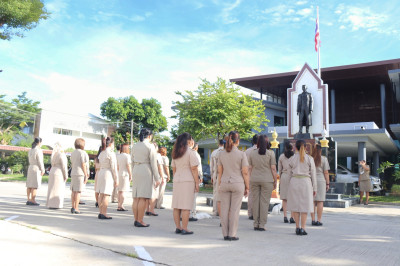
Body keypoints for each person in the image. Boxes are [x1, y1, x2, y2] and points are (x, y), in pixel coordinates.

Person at [218, 131, 250, 241]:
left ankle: (225, 234)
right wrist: (247, 187)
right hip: (237, 183)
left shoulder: (221, 154)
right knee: (235, 210)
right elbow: (245, 172)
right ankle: (232, 234)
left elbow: (219, 171)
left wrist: (219, 185)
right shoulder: (242, 154)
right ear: (238, 141)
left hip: (224, 183)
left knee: (224, 209)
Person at [171, 132, 200, 235]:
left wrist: (176, 179)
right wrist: (197, 183)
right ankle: (185, 228)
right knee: (186, 206)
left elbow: (174, 169)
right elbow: (194, 169)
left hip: (177, 179)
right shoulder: (191, 152)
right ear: (188, 140)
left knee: (176, 205)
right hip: (188, 180)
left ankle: (178, 227)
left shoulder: (175, 152)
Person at [248, 135, 278, 231]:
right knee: (264, 202)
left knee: (255, 201)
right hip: (267, 180)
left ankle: (255, 223)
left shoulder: (252, 153)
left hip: (254, 179)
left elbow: (250, 168)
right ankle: (262, 224)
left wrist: (248, 180)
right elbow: (273, 169)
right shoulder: (270, 153)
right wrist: (275, 181)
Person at [287, 139, 317, 236]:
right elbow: (313, 174)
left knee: (295, 206)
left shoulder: (291, 159)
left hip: (294, 181)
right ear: (306, 147)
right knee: (304, 206)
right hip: (306, 182)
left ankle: (297, 227)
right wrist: (315, 188)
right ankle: (303, 228)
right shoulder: (309, 159)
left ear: (295, 147)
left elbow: (288, 174)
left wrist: (288, 185)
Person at [132, 128, 161, 227]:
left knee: (136, 197)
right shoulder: (150, 146)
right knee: (143, 197)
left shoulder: (135, 146)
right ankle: (140, 220)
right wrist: (157, 178)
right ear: (149, 136)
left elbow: (131, 161)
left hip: (136, 169)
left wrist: (133, 172)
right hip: (145, 169)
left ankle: (136, 219)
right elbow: (153, 163)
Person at [97, 137, 118, 219]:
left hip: (101, 172)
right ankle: (104, 213)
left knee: (101, 194)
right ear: (111, 144)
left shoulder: (102, 153)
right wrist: (116, 179)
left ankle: (100, 211)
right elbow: (114, 167)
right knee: (106, 194)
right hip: (107, 173)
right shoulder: (111, 153)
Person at [310, 144, 330, 226]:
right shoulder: (324, 159)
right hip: (321, 181)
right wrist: (328, 183)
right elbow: (326, 172)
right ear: (321, 150)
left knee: (312, 201)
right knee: (320, 201)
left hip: (311, 180)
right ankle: (318, 220)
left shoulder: (310, 159)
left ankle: (313, 220)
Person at [46, 142, 68, 209]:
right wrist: (66, 175)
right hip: (59, 171)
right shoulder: (61, 154)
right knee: (58, 189)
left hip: (52, 170)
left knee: (51, 188)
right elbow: (64, 166)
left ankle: (50, 203)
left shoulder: (54, 154)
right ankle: (56, 204)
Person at [70, 138, 89, 214]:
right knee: (78, 191)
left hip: (73, 172)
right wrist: (86, 174)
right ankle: (76, 208)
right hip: (80, 173)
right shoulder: (82, 153)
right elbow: (83, 164)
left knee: (73, 191)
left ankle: (73, 206)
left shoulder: (73, 152)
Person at [278, 141, 295, 224]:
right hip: (292, 177)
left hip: (284, 176)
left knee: (284, 198)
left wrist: (280, 179)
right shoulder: (295, 157)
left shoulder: (281, 156)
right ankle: (292, 217)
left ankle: (285, 216)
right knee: (292, 197)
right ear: (292, 148)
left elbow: (279, 169)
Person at [145, 142, 163, 216]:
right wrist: (161, 176)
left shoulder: (146, 154)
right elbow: (159, 167)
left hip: (146, 174)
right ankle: (152, 210)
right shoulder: (157, 155)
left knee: (147, 193)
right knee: (154, 193)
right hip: (154, 175)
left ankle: (147, 209)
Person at [26, 137, 45, 206]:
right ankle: (33, 200)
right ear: (39, 142)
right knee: (34, 185)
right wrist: (42, 169)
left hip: (30, 167)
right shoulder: (38, 150)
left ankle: (28, 199)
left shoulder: (31, 150)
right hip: (36, 168)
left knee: (29, 185)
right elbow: (40, 161)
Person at [245, 134, 258, 220]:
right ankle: (257, 213)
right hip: (259, 174)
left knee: (250, 194)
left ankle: (250, 213)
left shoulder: (247, 151)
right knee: (258, 195)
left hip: (249, 174)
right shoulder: (263, 151)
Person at [210, 139, 224, 216]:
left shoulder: (214, 152)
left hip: (216, 174)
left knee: (216, 193)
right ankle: (223, 211)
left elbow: (211, 166)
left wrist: (212, 176)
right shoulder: (226, 152)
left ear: (219, 144)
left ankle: (215, 211)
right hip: (225, 175)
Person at [189, 142, 203, 222]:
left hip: (186, 177)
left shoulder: (183, 153)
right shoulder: (195, 154)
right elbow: (198, 167)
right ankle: (192, 213)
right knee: (193, 197)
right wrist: (200, 176)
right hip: (194, 176)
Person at [117, 143, 132, 211]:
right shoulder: (127, 156)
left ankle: (119, 205)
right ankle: (121, 205)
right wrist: (130, 174)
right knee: (123, 191)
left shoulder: (118, 156)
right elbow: (128, 165)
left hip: (119, 174)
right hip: (125, 174)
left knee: (120, 191)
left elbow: (117, 166)